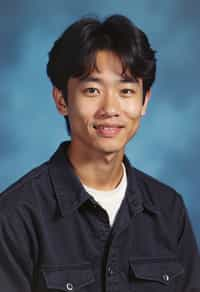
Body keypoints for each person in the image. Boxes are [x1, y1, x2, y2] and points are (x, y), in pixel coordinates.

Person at [0, 14, 199, 292]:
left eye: (126, 90)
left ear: (144, 102)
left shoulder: (168, 210)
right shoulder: (15, 216)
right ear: (61, 100)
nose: (110, 108)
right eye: (92, 90)